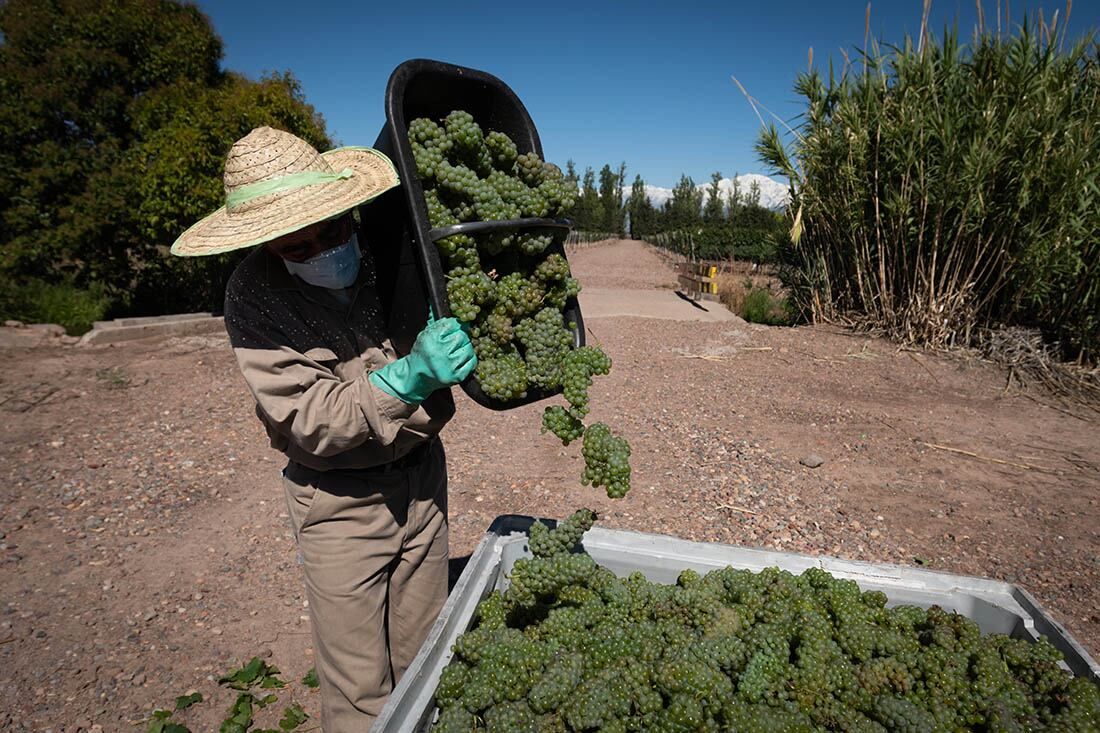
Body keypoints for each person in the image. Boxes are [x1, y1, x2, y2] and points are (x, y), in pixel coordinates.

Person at [172, 126, 476, 730]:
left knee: (428, 655)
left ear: (347, 210)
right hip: (338, 503)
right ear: (267, 244)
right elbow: (310, 419)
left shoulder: (391, 251)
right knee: (360, 688)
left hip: (422, 479)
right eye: (297, 246)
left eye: (332, 231)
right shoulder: (252, 297)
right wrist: (410, 377)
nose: (321, 250)